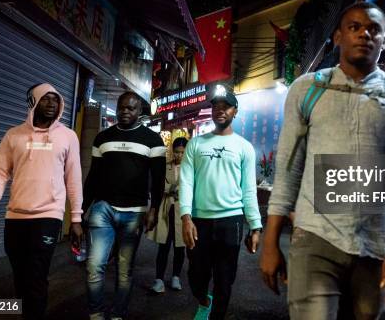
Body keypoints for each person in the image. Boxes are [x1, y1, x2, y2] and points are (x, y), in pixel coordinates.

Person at [260, 2, 385, 319]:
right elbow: (288, 168)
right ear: (338, 37)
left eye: (373, 29)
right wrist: (271, 241)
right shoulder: (308, 89)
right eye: (355, 27)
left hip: (377, 242)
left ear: (384, 40)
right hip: (315, 238)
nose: (364, 33)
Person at [0, 83, 83, 320]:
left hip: (48, 216)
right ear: (33, 102)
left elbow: (73, 178)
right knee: (20, 275)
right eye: (46, 99)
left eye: (56, 100)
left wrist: (76, 217)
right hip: (15, 217)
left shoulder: (68, 136)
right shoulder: (13, 135)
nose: (52, 104)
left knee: (36, 276)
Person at [179, 85, 263, 320]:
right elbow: (186, 182)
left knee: (225, 281)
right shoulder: (195, 144)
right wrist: (186, 217)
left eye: (225, 106)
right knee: (196, 275)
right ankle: (204, 300)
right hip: (199, 221)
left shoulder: (244, 147)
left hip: (231, 221)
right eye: (216, 105)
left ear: (235, 111)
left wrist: (255, 226)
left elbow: (249, 190)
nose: (220, 110)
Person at [83, 91, 166, 320]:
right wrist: (81, 211)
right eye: (122, 108)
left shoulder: (153, 140)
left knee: (124, 270)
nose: (125, 112)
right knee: (94, 266)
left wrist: (154, 210)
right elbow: (93, 177)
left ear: (140, 112)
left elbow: (158, 180)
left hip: (134, 213)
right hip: (103, 209)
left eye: (131, 108)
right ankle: (96, 313)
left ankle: (118, 313)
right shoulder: (102, 138)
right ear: (117, 108)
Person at [146, 136, 188, 293]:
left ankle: (176, 277)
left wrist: (179, 190)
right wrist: (172, 189)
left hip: (182, 213)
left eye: (183, 152)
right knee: (163, 246)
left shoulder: (191, 168)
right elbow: (158, 185)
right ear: (173, 151)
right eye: (177, 152)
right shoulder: (165, 166)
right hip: (166, 210)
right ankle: (159, 280)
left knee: (180, 247)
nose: (179, 156)